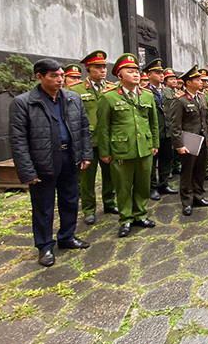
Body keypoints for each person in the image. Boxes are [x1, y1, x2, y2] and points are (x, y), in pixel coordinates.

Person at [9, 58, 92, 267]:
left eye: (62, 75)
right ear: (40, 77)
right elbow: (18, 140)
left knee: (70, 199)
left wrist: (85, 154)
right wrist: (27, 171)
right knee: (43, 206)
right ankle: (44, 246)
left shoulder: (73, 98)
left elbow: (83, 128)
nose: (60, 79)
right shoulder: (24, 102)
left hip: (70, 157)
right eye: (54, 75)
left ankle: (67, 236)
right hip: (43, 161)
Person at [97, 53, 158, 237]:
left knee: (143, 184)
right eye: (130, 71)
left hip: (144, 147)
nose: (136, 74)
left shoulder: (146, 95)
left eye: (137, 71)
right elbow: (103, 127)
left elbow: (153, 122)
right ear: (120, 75)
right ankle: (126, 219)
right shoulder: (108, 97)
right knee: (123, 187)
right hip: (121, 149)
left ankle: (141, 214)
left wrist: (154, 143)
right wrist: (104, 151)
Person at [68, 50, 118, 225]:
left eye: (104, 67)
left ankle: (109, 202)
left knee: (110, 174)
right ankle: (89, 209)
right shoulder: (75, 90)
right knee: (87, 179)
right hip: (87, 140)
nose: (103, 70)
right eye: (98, 67)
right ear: (88, 69)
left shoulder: (112, 88)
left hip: (108, 139)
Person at [167, 65, 208, 216]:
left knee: (200, 170)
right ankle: (187, 201)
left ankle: (198, 196)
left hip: (203, 139)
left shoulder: (202, 98)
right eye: (197, 80)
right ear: (188, 82)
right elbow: (175, 125)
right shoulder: (180, 100)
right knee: (187, 172)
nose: (201, 82)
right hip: (189, 140)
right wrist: (179, 145)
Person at [144, 58, 177, 201]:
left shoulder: (168, 91)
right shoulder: (144, 92)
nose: (161, 75)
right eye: (157, 73)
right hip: (153, 132)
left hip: (167, 131)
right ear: (149, 75)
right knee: (152, 163)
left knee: (167, 159)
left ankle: (164, 184)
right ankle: (152, 187)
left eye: (162, 73)